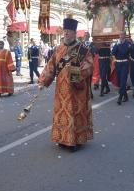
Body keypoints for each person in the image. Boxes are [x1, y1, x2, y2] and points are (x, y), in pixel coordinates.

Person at [38, 16, 93, 152]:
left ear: (74, 33)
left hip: (76, 88)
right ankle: (63, 138)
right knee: (62, 114)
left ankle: (76, 140)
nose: (66, 33)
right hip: (61, 90)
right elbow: (51, 66)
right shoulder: (59, 49)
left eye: (69, 31)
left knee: (75, 112)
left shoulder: (82, 49)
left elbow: (90, 65)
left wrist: (75, 70)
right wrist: (43, 81)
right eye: (65, 31)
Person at [112, 31, 131, 105]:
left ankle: (120, 97)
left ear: (125, 35)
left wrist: (120, 45)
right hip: (118, 63)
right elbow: (113, 52)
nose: (121, 36)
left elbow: (125, 52)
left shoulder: (128, 43)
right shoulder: (117, 43)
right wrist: (117, 45)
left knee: (123, 80)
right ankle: (125, 95)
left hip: (125, 63)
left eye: (122, 34)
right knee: (120, 81)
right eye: (120, 34)